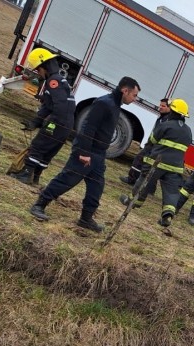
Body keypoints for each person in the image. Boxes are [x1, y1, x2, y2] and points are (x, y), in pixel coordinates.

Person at [28, 77, 140, 232]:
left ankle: (86, 219)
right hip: (87, 152)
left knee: (96, 188)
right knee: (66, 179)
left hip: (99, 155)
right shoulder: (104, 103)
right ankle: (39, 205)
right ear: (125, 90)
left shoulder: (114, 105)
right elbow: (88, 127)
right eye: (134, 95)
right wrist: (84, 152)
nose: (135, 99)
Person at [118, 98, 192, 228]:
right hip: (175, 167)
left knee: (143, 181)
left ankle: (132, 202)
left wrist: (145, 155)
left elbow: (152, 141)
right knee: (172, 191)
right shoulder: (188, 131)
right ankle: (167, 215)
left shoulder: (165, 125)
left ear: (173, 112)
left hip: (156, 164)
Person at [12, 48, 76, 185]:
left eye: (38, 70)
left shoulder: (54, 82)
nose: (38, 73)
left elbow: (58, 106)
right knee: (48, 150)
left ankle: (27, 174)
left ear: (45, 67)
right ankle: (35, 177)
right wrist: (35, 123)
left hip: (59, 122)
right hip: (67, 124)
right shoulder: (60, 80)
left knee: (38, 145)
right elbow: (48, 105)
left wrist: (51, 123)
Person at [120, 98, 170, 186]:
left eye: (163, 106)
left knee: (141, 160)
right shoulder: (163, 118)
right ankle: (142, 184)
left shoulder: (166, 120)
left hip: (154, 147)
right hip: (153, 146)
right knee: (144, 163)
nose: (160, 107)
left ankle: (132, 180)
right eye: (160, 105)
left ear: (169, 108)